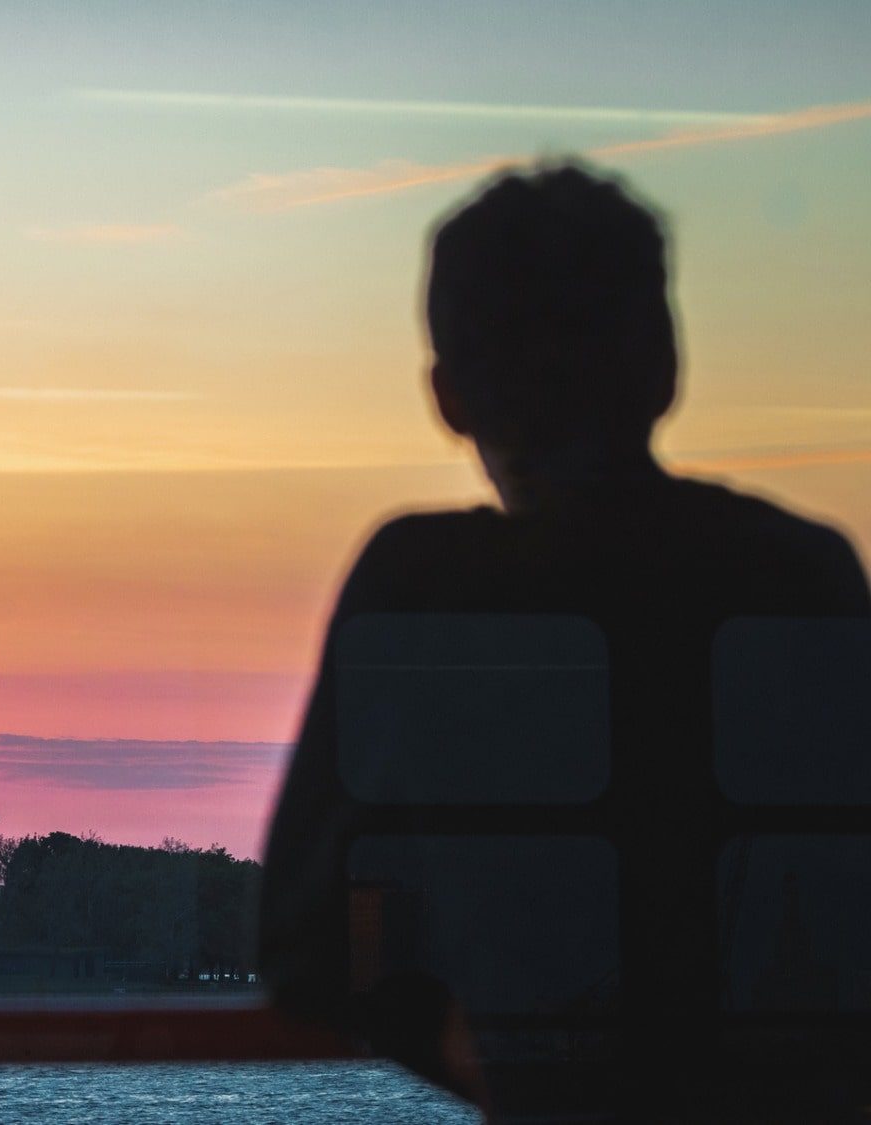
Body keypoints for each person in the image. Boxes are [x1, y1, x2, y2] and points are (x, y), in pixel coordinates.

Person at [258, 162, 870, 1120]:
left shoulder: (419, 590)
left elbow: (308, 942)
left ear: (449, 395)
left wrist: (479, 1046)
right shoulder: (806, 576)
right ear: (667, 364)